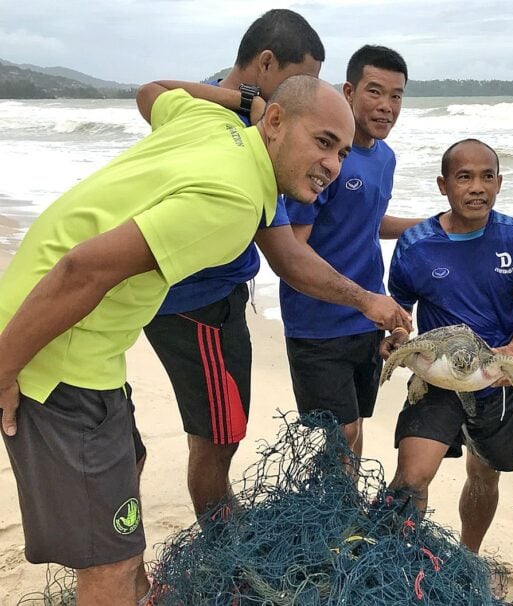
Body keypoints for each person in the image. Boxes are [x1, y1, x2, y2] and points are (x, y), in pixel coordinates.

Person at [0, 75, 354, 606]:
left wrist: (241, 100)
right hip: (54, 346)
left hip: (59, 321)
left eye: (344, 153)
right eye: (323, 142)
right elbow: (83, 269)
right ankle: (122, 584)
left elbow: (153, 91)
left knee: (130, 465)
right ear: (275, 121)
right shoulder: (234, 202)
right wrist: (5, 367)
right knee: (110, 563)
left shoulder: (210, 122)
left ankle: (136, 590)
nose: (333, 166)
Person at [139, 12, 411, 521]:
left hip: (219, 296)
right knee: (220, 436)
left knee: (229, 433)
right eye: (294, 82)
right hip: (196, 301)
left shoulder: (248, 126)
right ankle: (221, 538)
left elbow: (151, 93)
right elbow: (287, 254)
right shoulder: (236, 127)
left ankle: (231, 527)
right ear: (266, 66)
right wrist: (251, 103)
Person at [381, 138, 513, 554]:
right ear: (443, 185)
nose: (477, 187)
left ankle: (466, 559)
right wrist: (398, 341)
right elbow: (400, 313)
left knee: (484, 476)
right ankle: (394, 559)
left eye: (486, 177)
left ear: (499, 182)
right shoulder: (415, 245)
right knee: (413, 476)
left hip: (495, 375)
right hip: (437, 375)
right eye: (464, 177)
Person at [280, 45, 419, 459]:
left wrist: (433, 225)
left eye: (396, 95)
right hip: (317, 323)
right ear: (348, 92)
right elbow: (293, 247)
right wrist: (361, 300)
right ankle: (334, 521)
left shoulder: (385, 158)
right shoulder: (324, 158)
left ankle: (346, 519)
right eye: (375, 92)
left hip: (367, 319)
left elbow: (367, 221)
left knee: (355, 432)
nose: (386, 106)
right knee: (340, 435)